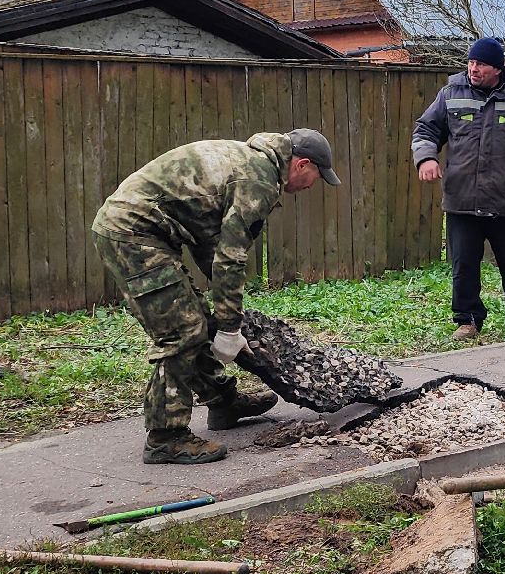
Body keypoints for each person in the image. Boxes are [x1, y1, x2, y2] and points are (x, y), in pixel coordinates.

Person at [91, 129, 339, 464]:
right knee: (182, 331)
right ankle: (166, 437)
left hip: (146, 231)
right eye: (317, 176)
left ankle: (223, 402)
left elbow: (210, 245)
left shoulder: (250, 162)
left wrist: (227, 318)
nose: (313, 185)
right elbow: (229, 258)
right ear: (302, 164)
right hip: (132, 233)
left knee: (199, 320)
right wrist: (230, 329)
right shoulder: (260, 181)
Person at [412, 37, 505, 341]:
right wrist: (425, 157)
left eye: (481, 64)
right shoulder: (452, 92)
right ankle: (468, 320)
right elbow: (426, 129)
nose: (473, 69)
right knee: (464, 264)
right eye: (471, 62)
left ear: (498, 68)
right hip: (462, 198)